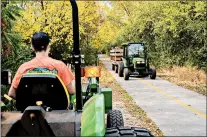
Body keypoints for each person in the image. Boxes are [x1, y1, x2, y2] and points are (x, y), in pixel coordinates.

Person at [8, 32, 75, 99]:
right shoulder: (60, 66)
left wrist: (27, 100)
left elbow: (11, 93)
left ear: (32, 47)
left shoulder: (23, 68)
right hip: (56, 108)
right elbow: (71, 91)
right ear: (48, 46)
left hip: (31, 108)